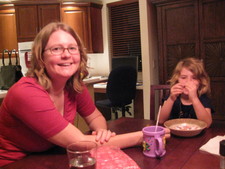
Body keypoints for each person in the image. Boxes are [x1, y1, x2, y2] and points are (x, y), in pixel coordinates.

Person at [0, 22, 170, 166]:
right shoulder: (26, 93)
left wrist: (101, 132)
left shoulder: (74, 85)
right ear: (40, 57)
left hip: (50, 155)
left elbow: (96, 118)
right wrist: (144, 135)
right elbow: (80, 143)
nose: (66, 54)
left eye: (72, 48)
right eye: (56, 49)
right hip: (16, 163)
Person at [159, 57, 214, 127]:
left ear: (200, 81)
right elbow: (161, 120)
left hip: (196, 135)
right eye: (183, 77)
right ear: (177, 79)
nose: (188, 82)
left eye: (194, 78)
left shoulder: (202, 97)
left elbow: (207, 124)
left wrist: (194, 98)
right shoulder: (172, 96)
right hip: (174, 134)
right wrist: (171, 98)